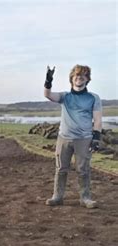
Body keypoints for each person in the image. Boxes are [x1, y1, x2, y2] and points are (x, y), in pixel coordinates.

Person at [43, 65, 102, 208]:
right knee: (61, 168)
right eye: (76, 75)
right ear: (72, 79)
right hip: (64, 137)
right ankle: (57, 196)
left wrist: (96, 138)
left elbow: (98, 119)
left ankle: (85, 198)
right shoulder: (65, 96)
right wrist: (48, 80)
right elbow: (48, 95)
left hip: (84, 138)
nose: (79, 78)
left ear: (87, 79)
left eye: (83, 76)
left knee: (83, 169)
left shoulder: (93, 98)